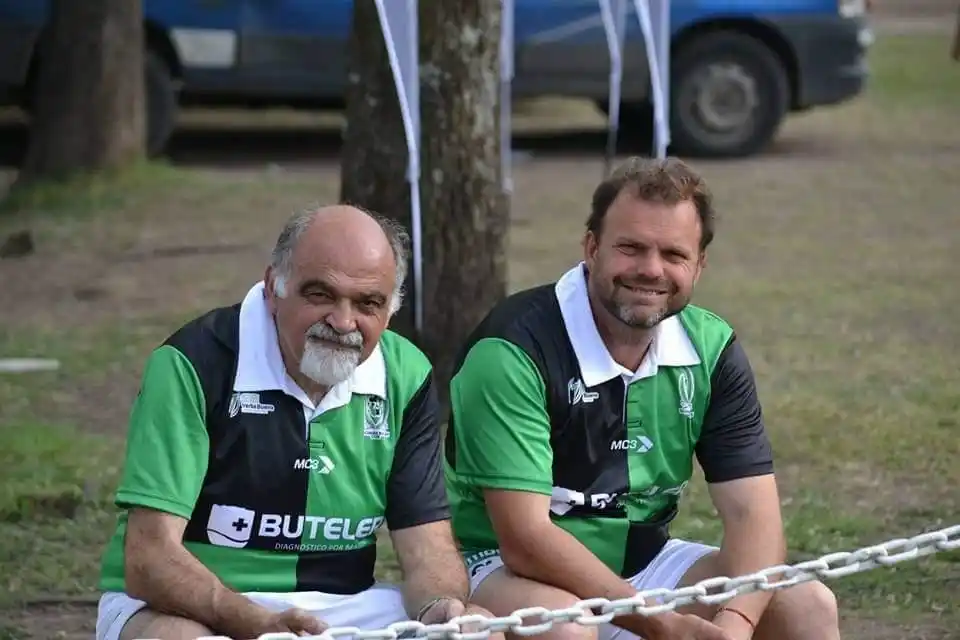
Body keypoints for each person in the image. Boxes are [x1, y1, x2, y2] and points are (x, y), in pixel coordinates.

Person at [443, 156, 841, 640]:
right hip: (507, 568)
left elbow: (753, 515)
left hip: (647, 562)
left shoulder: (711, 349)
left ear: (699, 264)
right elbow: (525, 540)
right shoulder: (513, 349)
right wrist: (661, 623)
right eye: (631, 248)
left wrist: (734, 626)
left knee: (807, 604)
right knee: (566, 630)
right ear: (591, 248)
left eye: (673, 255)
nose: (651, 270)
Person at [95, 205, 495, 640]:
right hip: (192, 605)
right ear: (273, 288)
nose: (343, 323)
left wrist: (441, 607)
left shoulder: (407, 374)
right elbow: (149, 556)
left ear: (390, 309)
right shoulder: (193, 363)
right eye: (320, 294)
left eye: (368, 303)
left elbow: (428, 548)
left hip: (345, 603)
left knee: (477, 634)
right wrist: (252, 622)